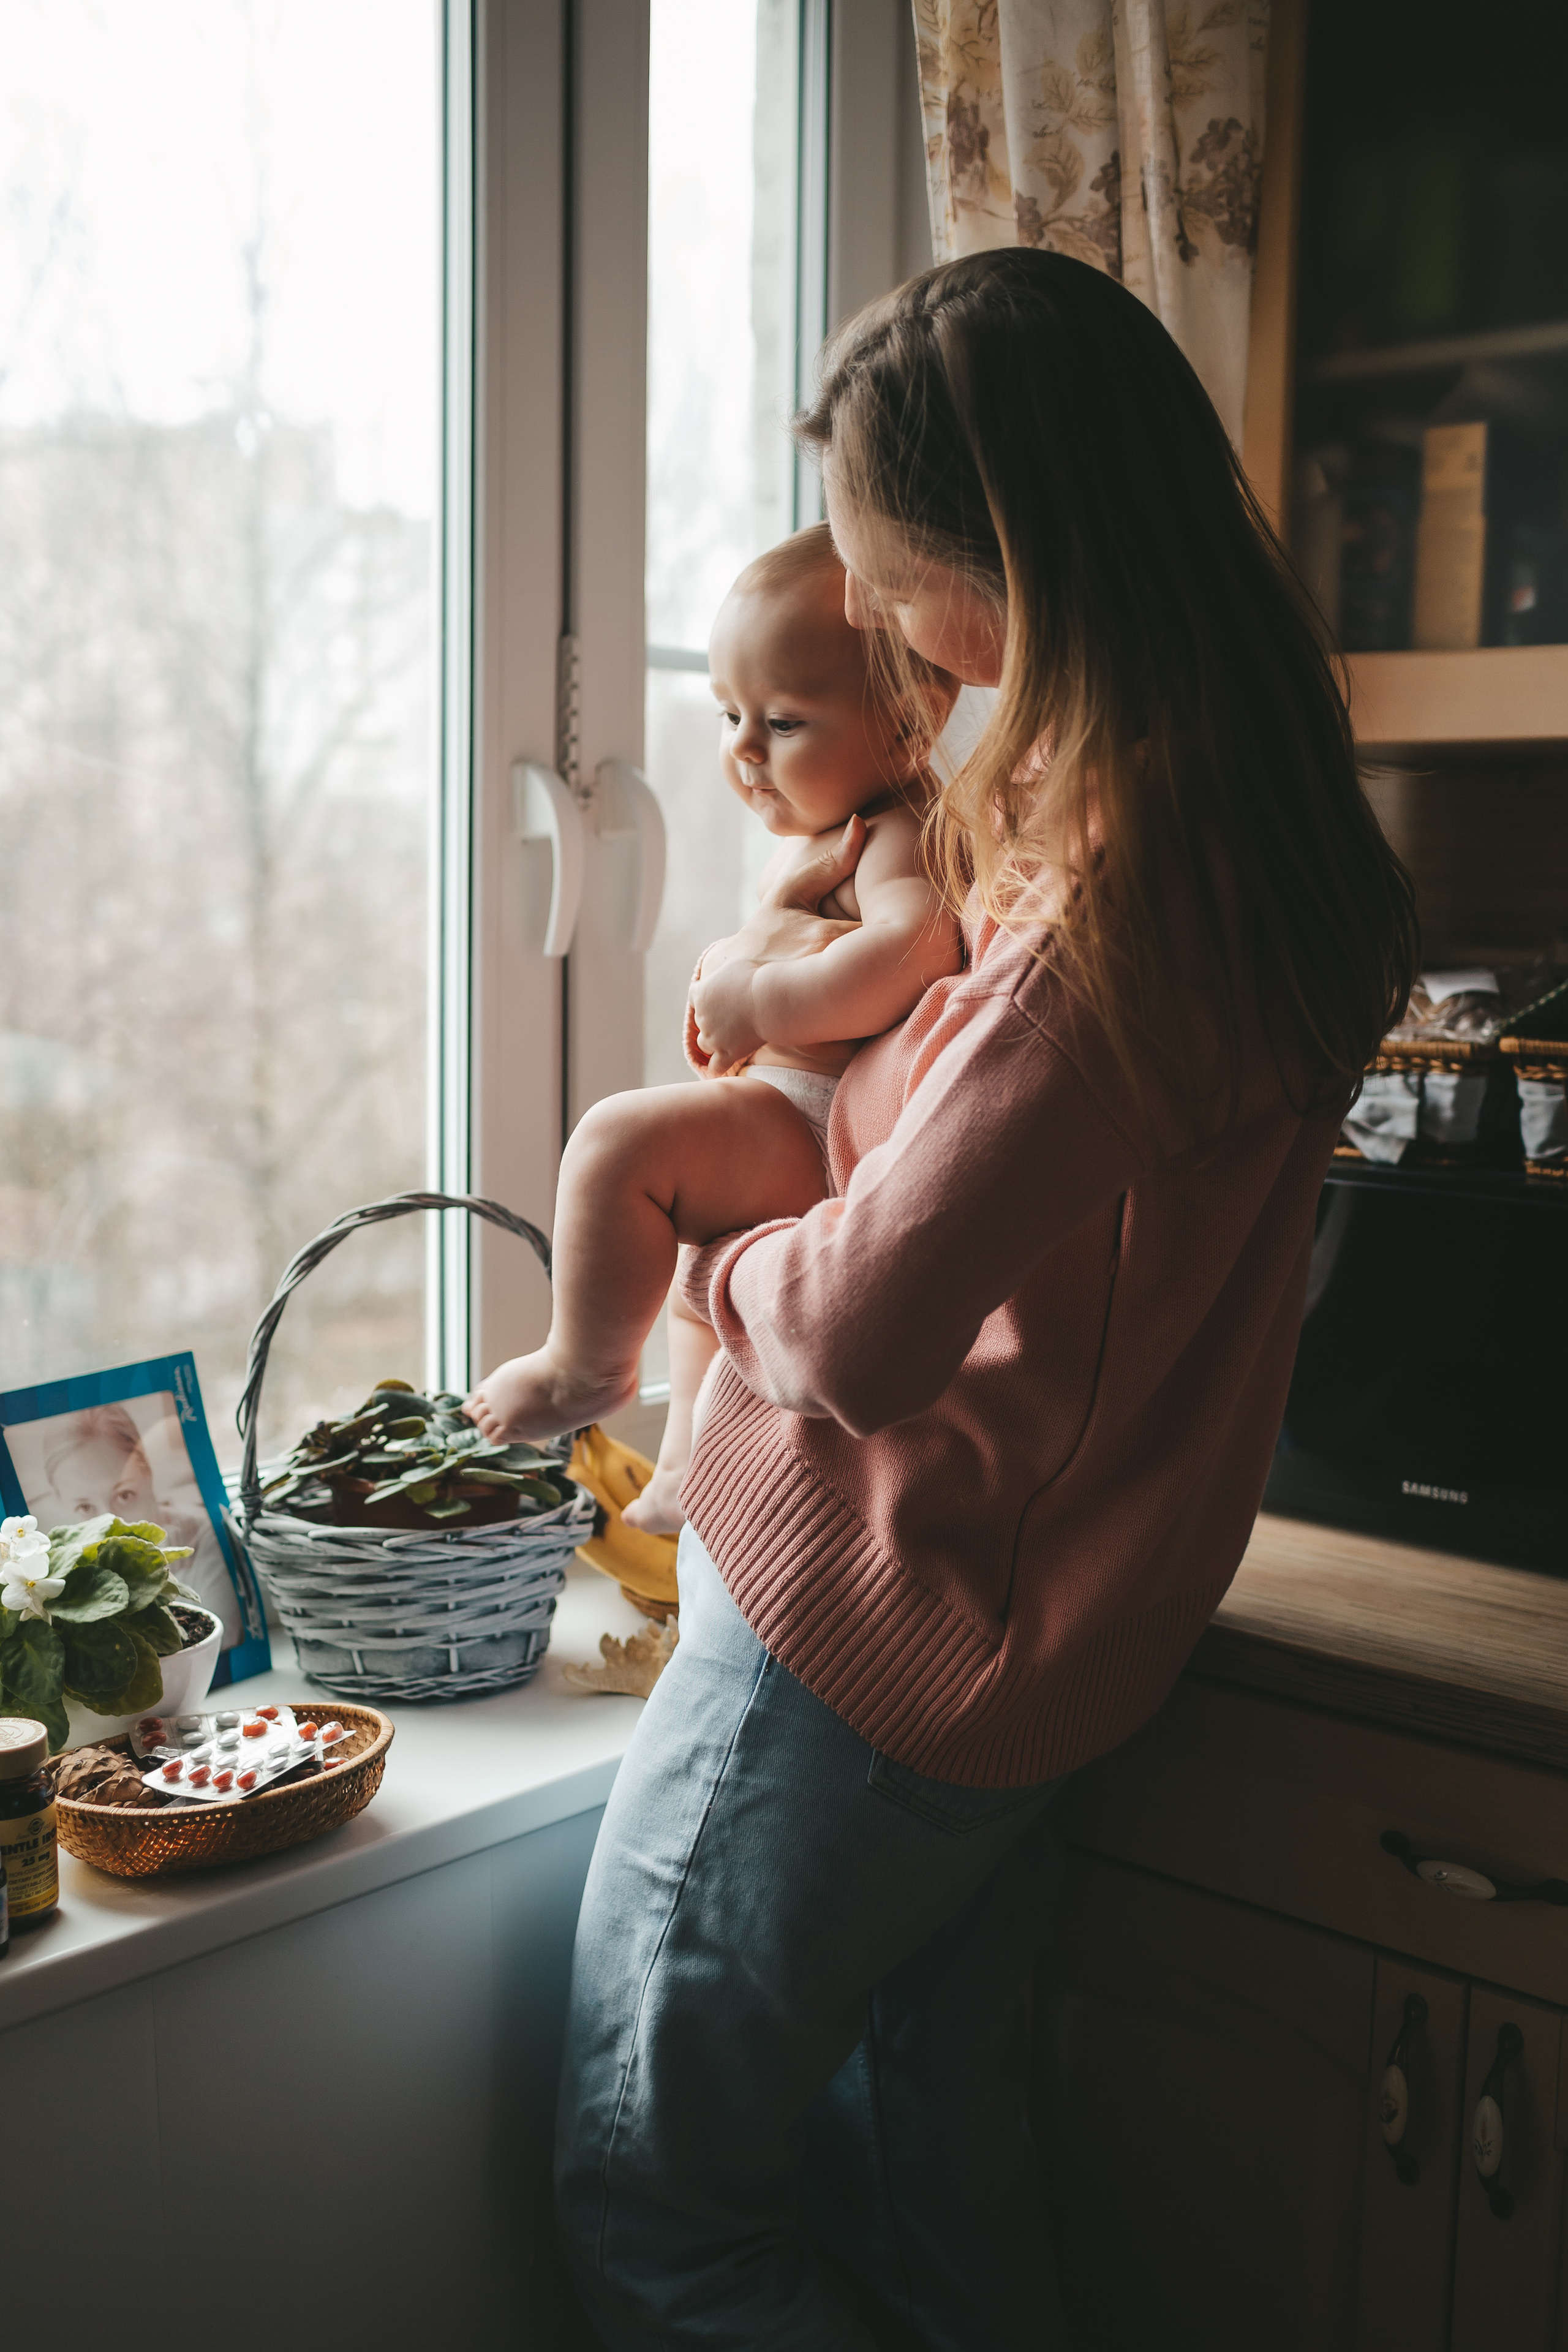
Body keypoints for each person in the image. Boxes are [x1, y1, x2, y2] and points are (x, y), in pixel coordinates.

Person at [553, 247, 1419, 2348]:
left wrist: (700, 1254)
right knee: (930, 2182)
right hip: (1029, 1661)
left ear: (991, 568)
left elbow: (864, 1334)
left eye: (877, 565)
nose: (859, 605)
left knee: (656, 2211)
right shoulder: (1238, 833)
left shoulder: (1108, 926)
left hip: (861, 1642)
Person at [462, 525, 962, 1519]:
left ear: (908, 725)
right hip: (789, 1104)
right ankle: (687, 1468)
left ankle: (583, 1365)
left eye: (783, 722)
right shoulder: (836, 828)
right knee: (701, 1280)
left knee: (616, 1144)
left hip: (822, 1126)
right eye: (731, 714)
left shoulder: (898, 829)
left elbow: (915, 950)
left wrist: (756, 999)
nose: (742, 749)